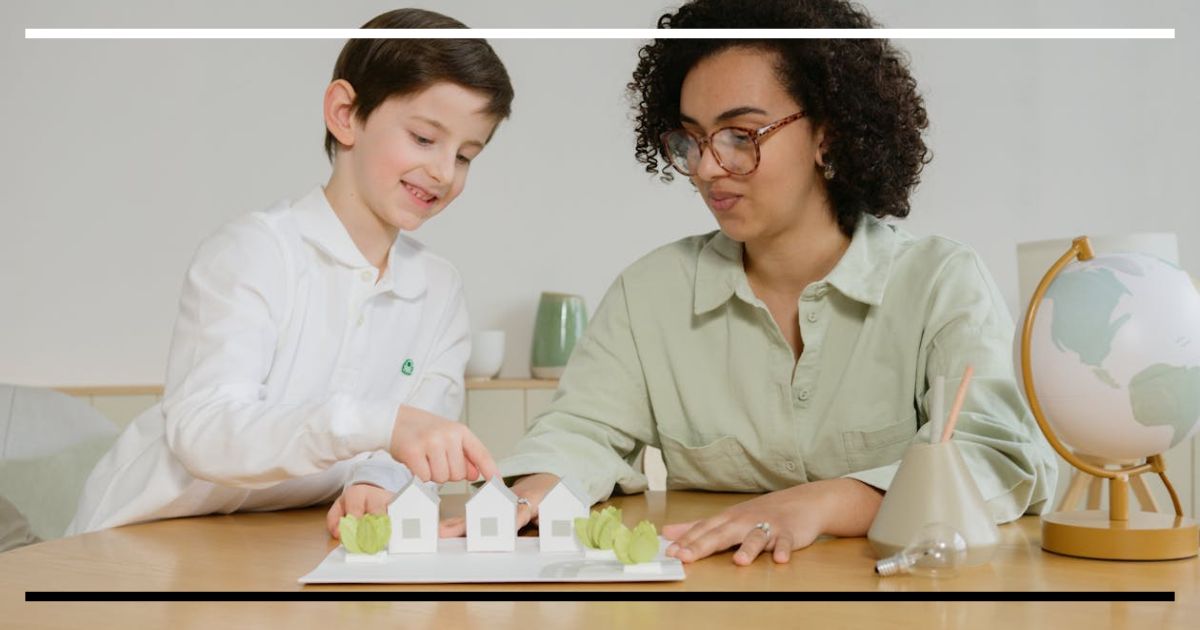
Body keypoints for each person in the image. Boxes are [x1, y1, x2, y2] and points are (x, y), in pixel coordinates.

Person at [362, 0, 1056, 564]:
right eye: (692, 139)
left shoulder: (938, 281)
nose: (706, 168)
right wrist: (535, 494)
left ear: (828, 134)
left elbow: (995, 457)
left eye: (741, 134)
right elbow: (582, 430)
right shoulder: (652, 293)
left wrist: (819, 503)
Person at [67, 8, 513, 535]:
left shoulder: (438, 289)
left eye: (465, 156)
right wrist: (382, 425)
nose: (443, 171)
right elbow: (207, 433)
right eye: (423, 138)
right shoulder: (254, 252)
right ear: (345, 113)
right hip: (141, 535)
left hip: (280, 537)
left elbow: (419, 434)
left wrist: (377, 481)